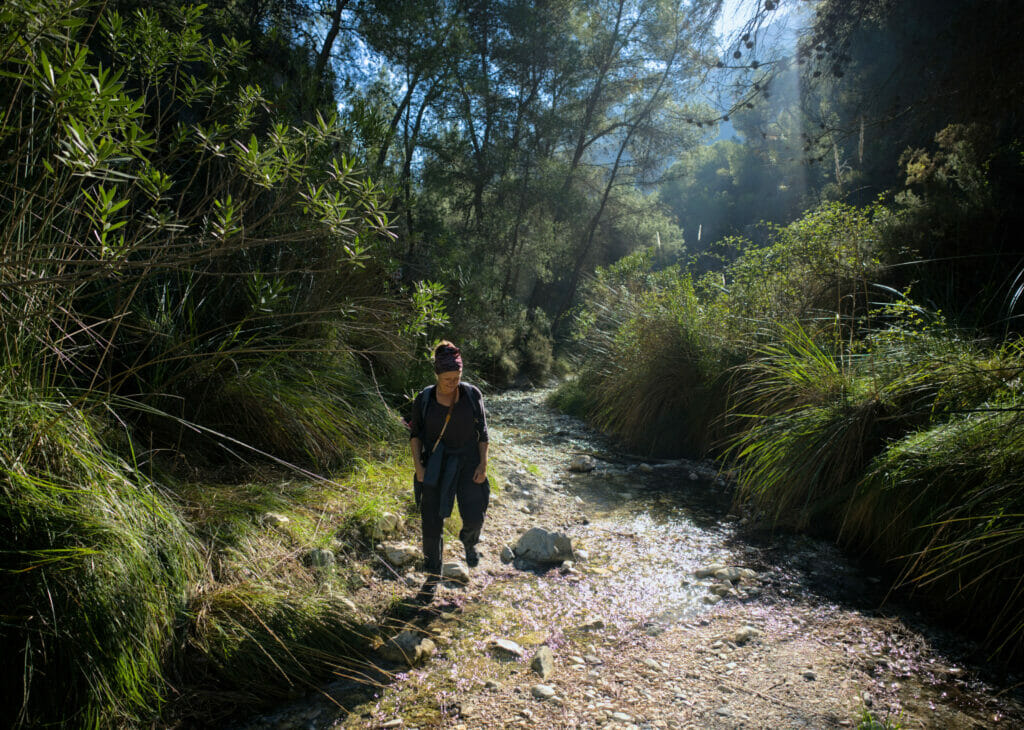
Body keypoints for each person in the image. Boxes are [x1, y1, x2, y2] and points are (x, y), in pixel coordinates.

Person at [408, 340, 489, 602]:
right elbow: (415, 434)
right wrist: (419, 467)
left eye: (456, 378)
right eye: (446, 379)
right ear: (436, 375)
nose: (452, 383)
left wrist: (483, 464)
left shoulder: (471, 394)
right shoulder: (425, 399)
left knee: (475, 514)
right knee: (431, 521)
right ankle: (433, 574)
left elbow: (483, 433)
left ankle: (468, 539)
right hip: (435, 463)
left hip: (467, 461)